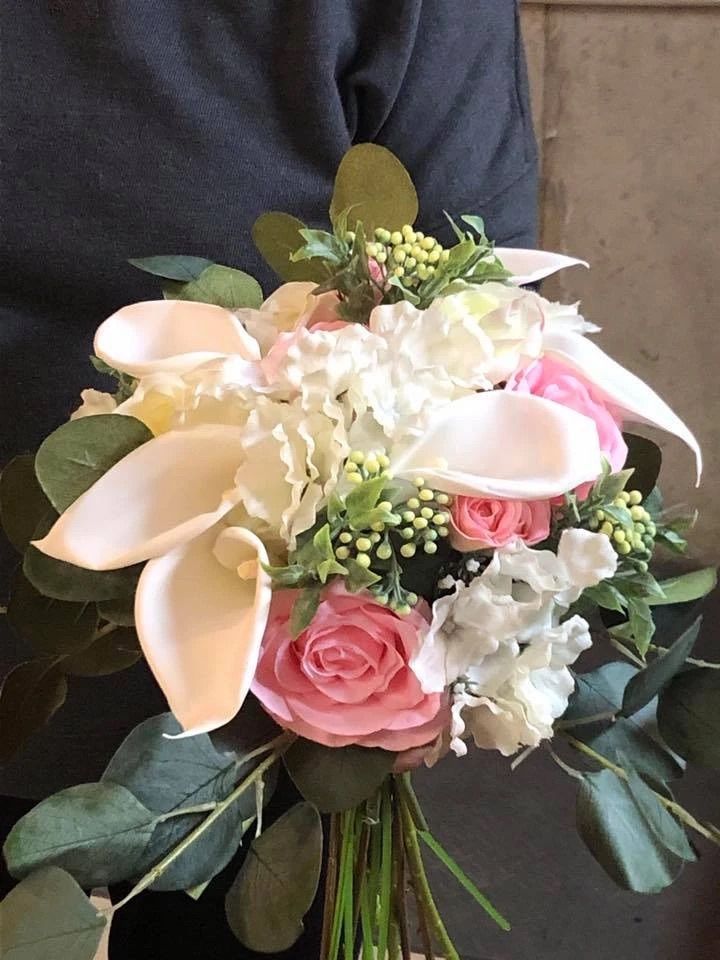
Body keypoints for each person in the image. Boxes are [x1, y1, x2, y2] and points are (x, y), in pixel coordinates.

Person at [0, 3, 537, 956]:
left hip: (221, 742)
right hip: (216, 734)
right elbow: (483, 321)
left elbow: (481, 331)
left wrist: (422, 630)